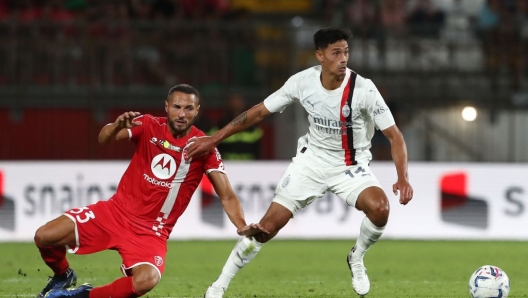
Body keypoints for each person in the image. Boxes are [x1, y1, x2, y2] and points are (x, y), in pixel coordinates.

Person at [184, 28, 414, 297]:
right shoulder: (302, 82)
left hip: (350, 166)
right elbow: (258, 112)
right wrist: (215, 139)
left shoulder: (364, 89)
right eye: (336, 52)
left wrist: (403, 177)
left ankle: (357, 257)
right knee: (265, 229)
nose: (343, 59)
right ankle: (219, 285)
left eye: (346, 52)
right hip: (311, 163)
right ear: (320, 55)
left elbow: (394, 136)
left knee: (380, 209)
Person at [33, 84, 267, 298]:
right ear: (166, 107)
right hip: (114, 213)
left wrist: (240, 224)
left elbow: (226, 193)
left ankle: (81, 296)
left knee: (147, 280)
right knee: (44, 236)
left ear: (197, 111)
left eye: (188, 108)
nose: (181, 114)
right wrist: (116, 127)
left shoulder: (203, 146)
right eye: (176, 107)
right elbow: (103, 138)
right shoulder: (147, 125)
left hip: (151, 232)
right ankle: (63, 276)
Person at [209, 93, 263, 160]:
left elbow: (258, 150)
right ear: (228, 104)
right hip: (227, 164)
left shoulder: (253, 126)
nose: (236, 104)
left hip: (249, 166)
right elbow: (215, 148)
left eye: (238, 101)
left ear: (243, 103)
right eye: (233, 101)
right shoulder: (221, 125)